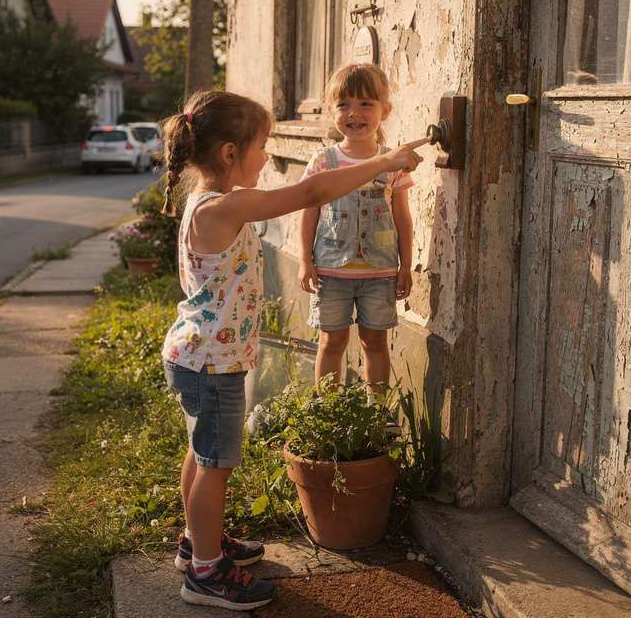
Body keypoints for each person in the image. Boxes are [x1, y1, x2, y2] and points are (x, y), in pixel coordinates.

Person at [158, 90, 429, 611]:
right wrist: (386, 161)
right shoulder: (227, 205)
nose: (267, 157)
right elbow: (313, 193)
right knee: (216, 463)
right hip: (211, 361)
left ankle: (198, 543)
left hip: (198, 355)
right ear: (230, 153)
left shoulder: (203, 202)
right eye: (263, 146)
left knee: (202, 453)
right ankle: (206, 574)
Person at [297, 63, 413, 415]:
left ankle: (376, 413)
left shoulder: (392, 162)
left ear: (385, 111)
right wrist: (305, 260)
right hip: (331, 271)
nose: (354, 113)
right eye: (344, 104)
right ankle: (327, 414)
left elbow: (403, 217)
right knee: (332, 341)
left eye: (366, 104)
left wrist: (406, 265)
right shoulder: (324, 160)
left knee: (374, 342)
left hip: (378, 273)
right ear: (332, 111)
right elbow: (308, 210)